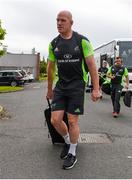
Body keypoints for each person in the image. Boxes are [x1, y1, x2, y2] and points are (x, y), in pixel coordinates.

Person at [46, 10, 100, 170]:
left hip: (77, 85)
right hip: (61, 86)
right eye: (57, 20)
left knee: (72, 120)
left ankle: (73, 152)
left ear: (71, 22)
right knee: (55, 120)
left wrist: (96, 89)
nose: (59, 23)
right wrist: (50, 89)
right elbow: (50, 68)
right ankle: (68, 141)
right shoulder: (54, 44)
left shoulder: (82, 41)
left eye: (63, 20)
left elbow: (92, 66)